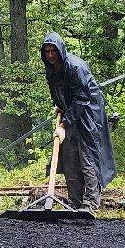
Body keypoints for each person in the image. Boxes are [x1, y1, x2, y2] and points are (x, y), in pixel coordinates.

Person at [40, 32, 116, 212]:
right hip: (70, 113)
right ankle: (75, 203)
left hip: (88, 115)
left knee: (87, 158)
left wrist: (64, 124)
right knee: (69, 159)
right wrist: (60, 106)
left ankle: (90, 205)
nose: (50, 55)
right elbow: (60, 90)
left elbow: (82, 99)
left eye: (53, 51)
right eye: (47, 52)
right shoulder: (51, 68)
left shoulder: (75, 67)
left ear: (60, 51)